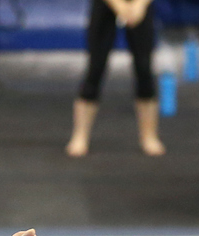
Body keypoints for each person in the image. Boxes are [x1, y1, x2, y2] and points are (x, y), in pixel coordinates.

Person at [66, 0, 164, 157]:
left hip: (139, 5)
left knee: (144, 68)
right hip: (106, 4)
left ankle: (149, 136)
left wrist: (139, 5)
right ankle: (80, 135)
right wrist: (120, 6)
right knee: (96, 67)